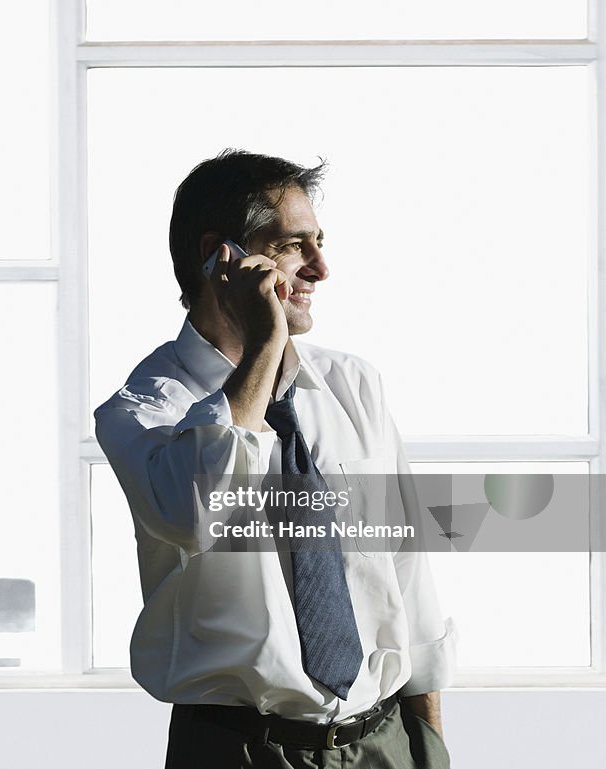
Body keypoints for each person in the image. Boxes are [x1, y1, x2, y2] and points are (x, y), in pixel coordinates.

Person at [93, 149, 457, 768]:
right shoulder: (145, 409)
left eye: (319, 242)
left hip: (384, 742)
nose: (321, 269)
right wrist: (265, 345)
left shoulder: (355, 386)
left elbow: (407, 579)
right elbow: (194, 513)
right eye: (294, 245)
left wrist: (431, 749)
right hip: (238, 750)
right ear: (221, 256)